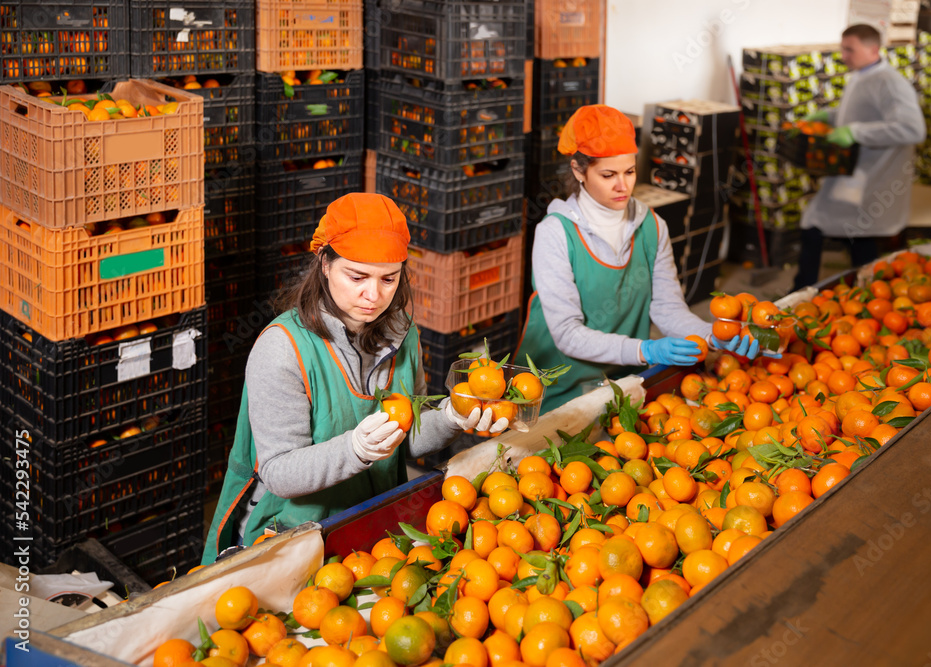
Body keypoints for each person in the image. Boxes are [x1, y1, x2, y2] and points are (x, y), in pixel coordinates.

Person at [203, 193, 507, 562]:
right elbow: (279, 472)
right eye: (357, 276)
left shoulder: (402, 333)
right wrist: (355, 450)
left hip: (373, 519)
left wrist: (449, 418)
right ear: (325, 263)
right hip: (293, 534)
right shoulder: (283, 349)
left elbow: (407, 439)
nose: (373, 295)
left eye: (388, 279)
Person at [515, 105, 770, 413]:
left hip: (622, 378)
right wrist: (645, 349)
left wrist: (712, 335)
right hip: (555, 386)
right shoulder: (555, 233)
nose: (623, 186)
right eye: (608, 175)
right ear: (579, 171)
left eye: (630, 171)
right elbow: (568, 334)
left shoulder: (651, 226)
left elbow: (667, 307)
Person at [793, 23, 926, 290]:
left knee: (839, 229)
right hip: (853, 175)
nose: (843, 55)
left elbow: (913, 129)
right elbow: (859, 114)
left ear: (872, 49)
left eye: (849, 49)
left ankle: (809, 290)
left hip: (874, 175)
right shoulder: (862, 76)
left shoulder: (889, 83)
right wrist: (827, 117)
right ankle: (862, 291)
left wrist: (855, 132)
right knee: (847, 231)